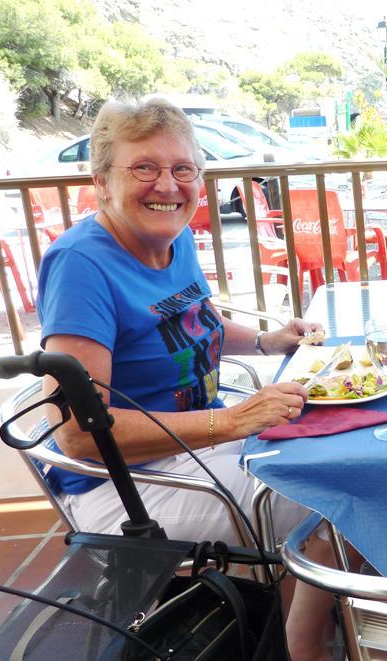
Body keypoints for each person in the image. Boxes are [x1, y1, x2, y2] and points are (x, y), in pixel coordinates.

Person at [35, 97, 339, 660]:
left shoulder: (171, 241)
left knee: (334, 452)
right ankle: (305, 648)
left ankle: (300, 620)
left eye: (183, 169)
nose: (167, 185)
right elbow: (77, 435)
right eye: (144, 168)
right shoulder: (81, 265)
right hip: (129, 486)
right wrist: (229, 421)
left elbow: (195, 322)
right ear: (101, 182)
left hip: (199, 446)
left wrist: (269, 341)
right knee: (335, 498)